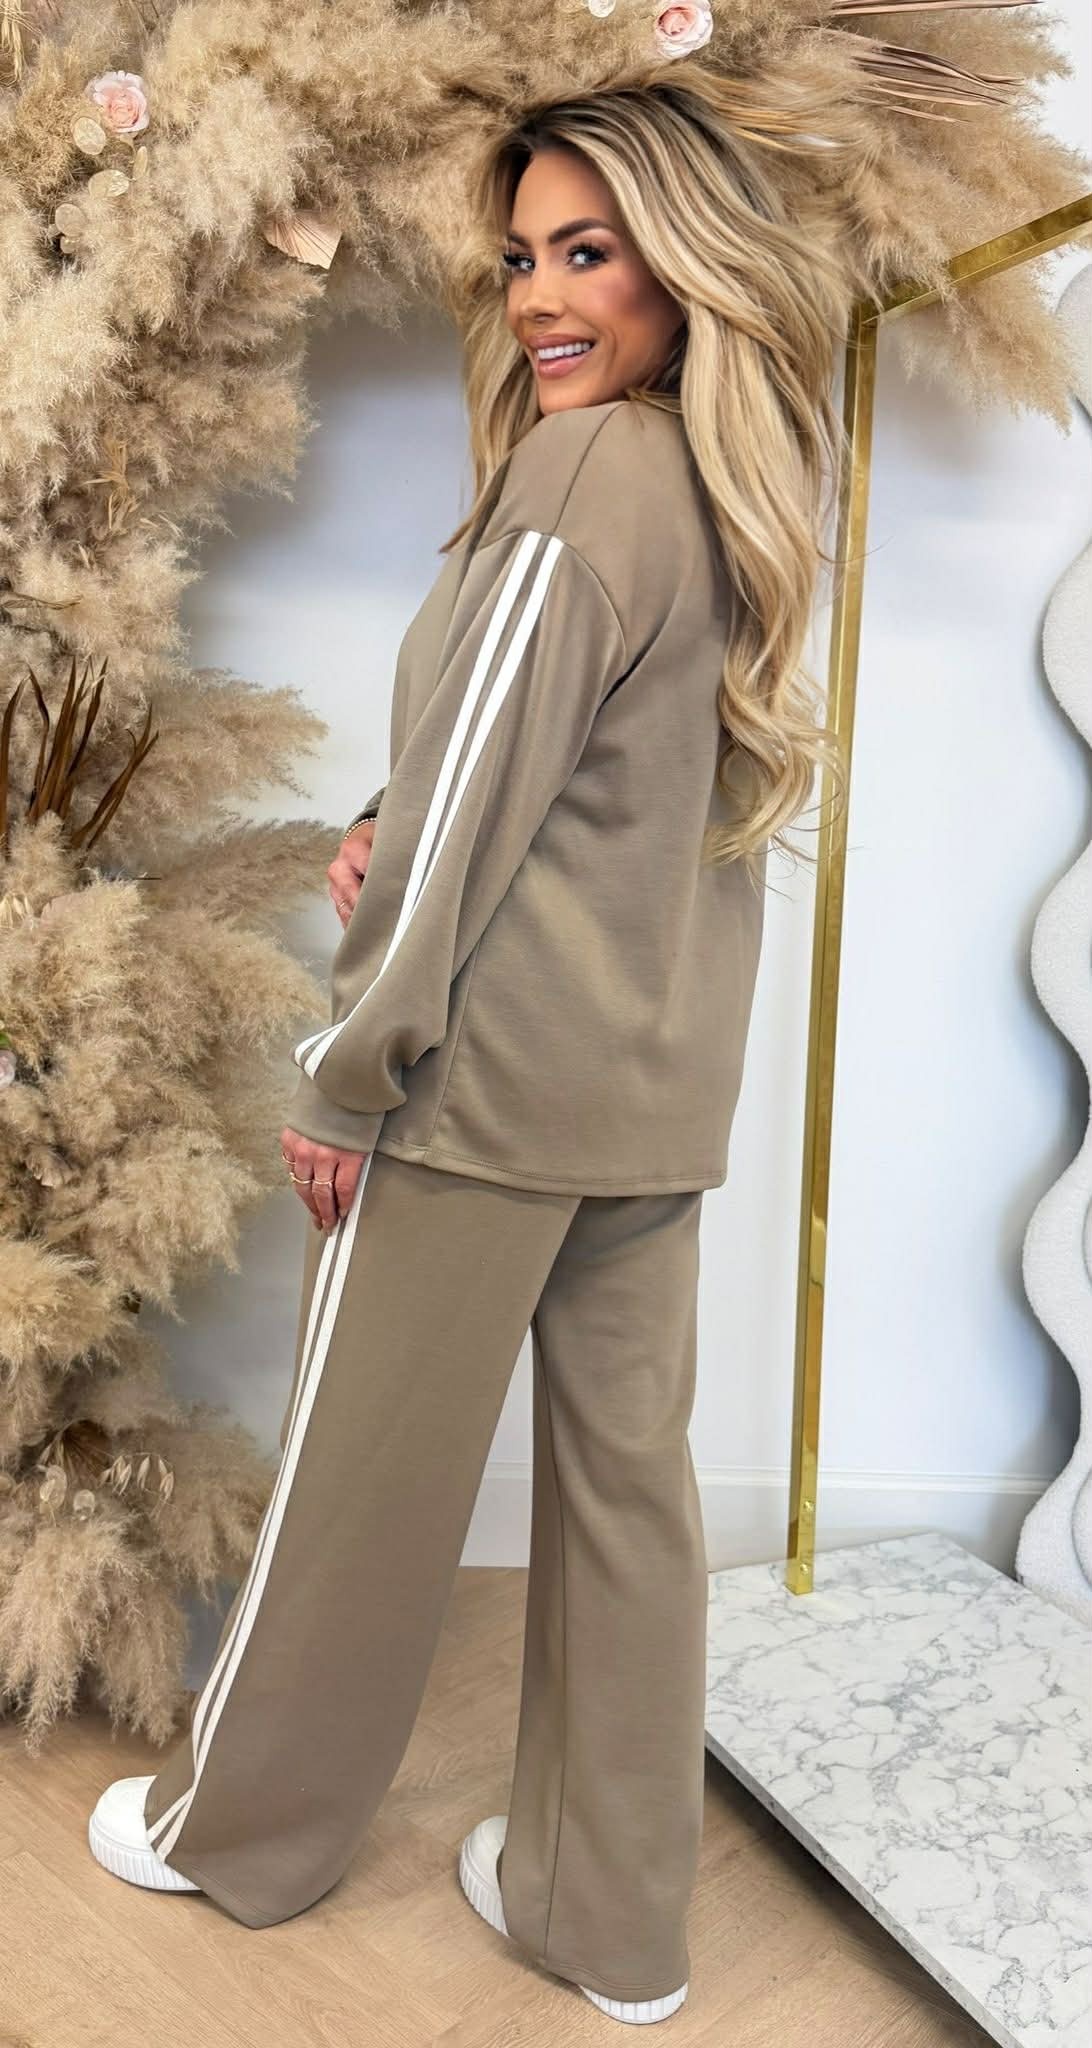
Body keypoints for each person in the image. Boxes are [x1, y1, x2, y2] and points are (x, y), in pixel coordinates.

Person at [87, 59, 849, 2026]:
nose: (540, 300)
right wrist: (387, 819)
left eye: (588, 252)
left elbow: (476, 808)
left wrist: (351, 1073)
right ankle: (613, 1923)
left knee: (357, 1489)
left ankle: (236, 1836)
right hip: (651, 1097)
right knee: (630, 1506)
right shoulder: (738, 490)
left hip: (479, 1090)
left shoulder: (585, 477)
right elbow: (583, 782)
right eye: (520, 259)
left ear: (685, 262)